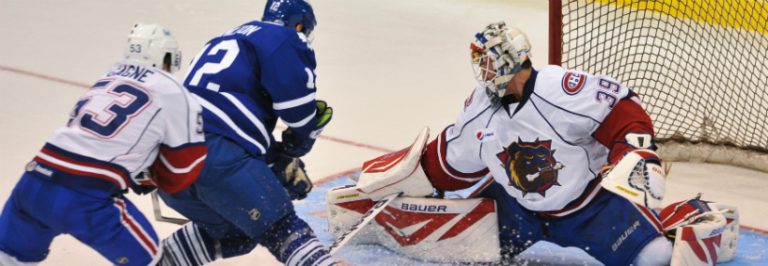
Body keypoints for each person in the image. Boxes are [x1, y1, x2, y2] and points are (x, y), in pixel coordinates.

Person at [349, 21, 739, 265]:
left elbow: (622, 111)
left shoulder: (560, 89)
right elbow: (449, 163)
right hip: (517, 210)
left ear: (511, 63)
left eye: (488, 61)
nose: (482, 71)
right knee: (455, 251)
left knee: (654, 259)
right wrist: (410, 183)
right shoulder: (479, 107)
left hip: (591, 209)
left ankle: (686, 213)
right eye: (479, 62)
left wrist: (634, 151)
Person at [0, 23, 206, 266]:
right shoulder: (173, 92)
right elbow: (182, 169)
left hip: (33, 184)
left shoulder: (107, 77)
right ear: (168, 57)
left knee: (9, 259)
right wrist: (153, 177)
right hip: (84, 197)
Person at [157, 0, 335, 265]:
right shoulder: (283, 37)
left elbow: (228, 116)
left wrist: (276, 159)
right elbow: (298, 112)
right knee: (283, 228)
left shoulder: (224, 39)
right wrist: (300, 144)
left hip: (166, 160)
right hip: (216, 152)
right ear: (299, 25)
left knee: (236, 232)